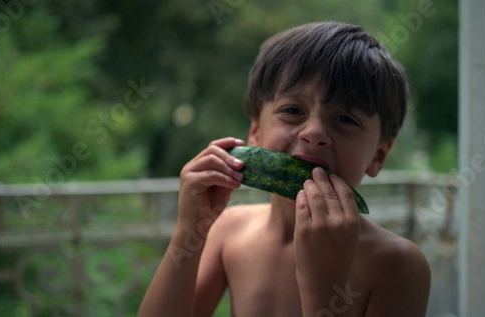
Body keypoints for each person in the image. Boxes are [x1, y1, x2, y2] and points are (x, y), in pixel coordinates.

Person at [137, 21, 431, 317]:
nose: (314, 132)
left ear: (378, 156)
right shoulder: (227, 230)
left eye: (345, 119)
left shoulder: (397, 263)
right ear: (255, 134)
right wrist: (190, 230)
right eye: (293, 111)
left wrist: (326, 285)